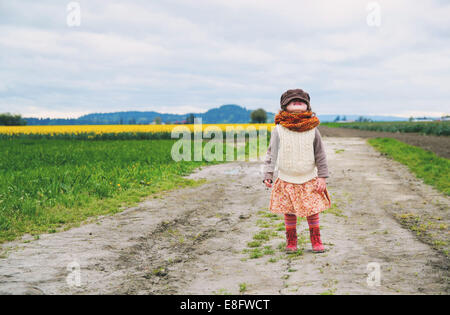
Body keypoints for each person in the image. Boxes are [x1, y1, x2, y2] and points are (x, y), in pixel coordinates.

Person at [262, 88, 331, 253]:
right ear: (284, 107)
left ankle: (316, 239)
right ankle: (291, 241)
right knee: (289, 210)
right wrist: (268, 174)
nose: (298, 101)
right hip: (287, 178)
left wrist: (322, 176)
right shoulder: (279, 130)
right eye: (293, 101)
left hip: (309, 178)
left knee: (312, 210)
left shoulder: (313, 129)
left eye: (302, 101)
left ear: (308, 107)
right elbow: (272, 154)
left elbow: (320, 155)